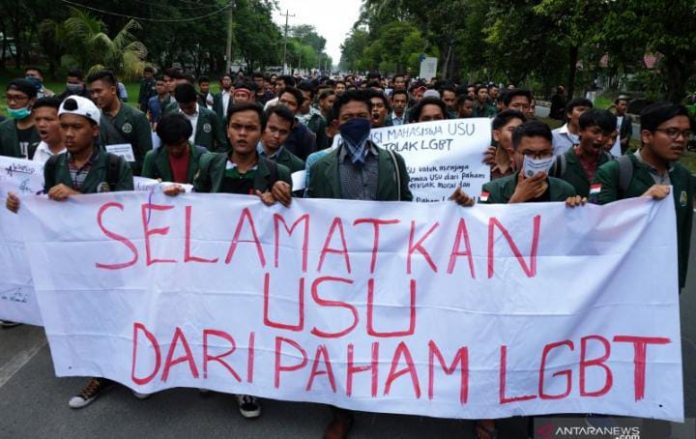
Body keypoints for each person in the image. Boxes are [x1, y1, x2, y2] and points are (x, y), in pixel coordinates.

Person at [5, 96, 134, 391]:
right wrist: (23, 205)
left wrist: (77, 198)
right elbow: (46, 204)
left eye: (77, 127)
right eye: (65, 127)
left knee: (116, 315)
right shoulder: (53, 165)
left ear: (95, 130)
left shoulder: (114, 166)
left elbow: (128, 212)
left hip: (108, 259)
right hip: (70, 261)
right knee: (82, 315)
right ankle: (98, 372)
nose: (70, 133)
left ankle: (128, 369)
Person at [306, 89, 412, 439]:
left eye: (362, 116)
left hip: (384, 263)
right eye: (348, 118)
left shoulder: (394, 162)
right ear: (336, 124)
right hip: (339, 267)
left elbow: (409, 207)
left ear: (374, 118)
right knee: (341, 336)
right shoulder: (320, 166)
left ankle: (379, 388)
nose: (356, 122)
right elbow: (312, 215)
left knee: (381, 330)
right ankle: (341, 409)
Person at [593, 103, 693, 290]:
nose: (680, 140)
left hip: (665, 286)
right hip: (621, 285)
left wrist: (678, 282)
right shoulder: (614, 172)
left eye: (686, 134)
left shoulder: (683, 177)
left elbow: (683, 236)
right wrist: (642, 203)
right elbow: (598, 229)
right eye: (672, 132)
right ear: (646, 136)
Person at [480, 120, 577, 204]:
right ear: (512, 153)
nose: (537, 159)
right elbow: (484, 223)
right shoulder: (491, 190)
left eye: (544, 153)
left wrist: (578, 208)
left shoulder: (566, 191)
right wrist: (516, 200)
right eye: (528, 153)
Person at [88, 70, 153, 176]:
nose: (95, 96)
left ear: (113, 90)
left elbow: (146, 157)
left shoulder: (137, 117)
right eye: (92, 92)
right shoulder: (93, 119)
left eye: (99, 91)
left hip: (132, 178)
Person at [551, 109, 615, 198]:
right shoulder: (560, 163)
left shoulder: (611, 163)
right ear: (581, 130)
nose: (600, 138)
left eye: (605, 134)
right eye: (595, 132)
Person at [142, 113, 207, 183]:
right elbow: (144, 189)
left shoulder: (203, 156)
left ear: (187, 138)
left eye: (180, 144)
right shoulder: (152, 158)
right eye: (169, 145)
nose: (175, 150)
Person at [173, 83, 227, 152]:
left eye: (189, 107)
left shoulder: (210, 116)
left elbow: (222, 144)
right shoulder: (173, 117)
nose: (186, 110)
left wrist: (212, 159)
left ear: (196, 98)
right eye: (183, 107)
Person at [0, 79, 40, 158]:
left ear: (32, 100)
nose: (12, 103)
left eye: (18, 98)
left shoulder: (44, 128)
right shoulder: (3, 129)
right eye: (9, 97)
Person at [258, 105, 305, 173]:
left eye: (283, 132)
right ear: (263, 126)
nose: (277, 136)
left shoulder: (297, 165)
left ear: (289, 133)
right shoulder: (243, 153)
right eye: (273, 129)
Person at [277, 87, 317, 160]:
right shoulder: (263, 124)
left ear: (298, 109)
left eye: (291, 104)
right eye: (283, 101)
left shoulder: (306, 135)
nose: (285, 106)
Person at [489, 110, 526, 180]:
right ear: (496, 135)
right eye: (512, 130)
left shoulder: (526, 167)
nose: (518, 135)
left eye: (521, 131)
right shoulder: (483, 165)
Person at [29, 97, 65, 164]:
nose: (41, 124)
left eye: (48, 119)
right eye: (37, 119)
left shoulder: (77, 153)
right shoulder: (33, 150)